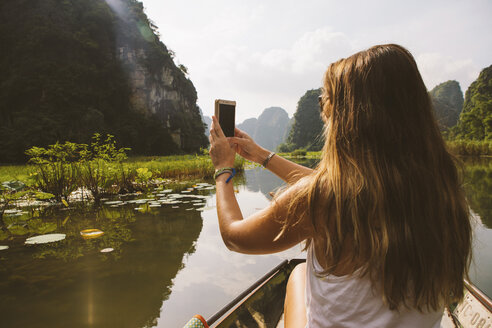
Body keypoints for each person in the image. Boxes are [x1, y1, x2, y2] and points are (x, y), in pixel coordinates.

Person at [208, 44, 471, 328]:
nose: (324, 111)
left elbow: (235, 236)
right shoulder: (443, 189)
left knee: (297, 275)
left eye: (327, 102)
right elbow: (337, 187)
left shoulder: (323, 199)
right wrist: (260, 155)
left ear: (350, 117)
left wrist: (224, 168)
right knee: (299, 276)